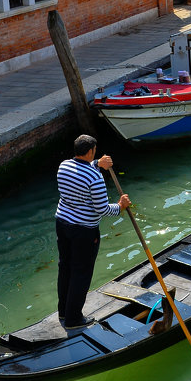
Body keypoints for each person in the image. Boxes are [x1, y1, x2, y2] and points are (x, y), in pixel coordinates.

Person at [55, 134, 130, 329]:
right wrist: (120, 206)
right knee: (81, 272)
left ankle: (63, 312)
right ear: (90, 151)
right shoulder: (95, 177)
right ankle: (73, 319)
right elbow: (103, 209)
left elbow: (82, 171)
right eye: (94, 152)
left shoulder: (63, 166)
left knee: (65, 268)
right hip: (83, 231)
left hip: (62, 224)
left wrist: (97, 163)